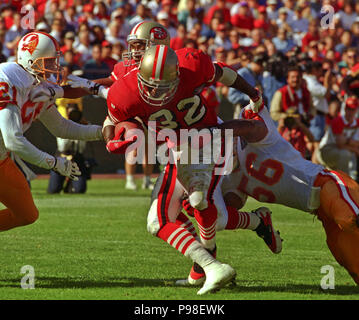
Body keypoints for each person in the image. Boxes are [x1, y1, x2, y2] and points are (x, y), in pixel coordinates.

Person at [96, 45, 265, 295]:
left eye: (162, 86)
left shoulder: (191, 66)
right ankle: (208, 267)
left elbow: (224, 74)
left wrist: (253, 93)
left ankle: (210, 266)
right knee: (194, 208)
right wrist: (112, 140)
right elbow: (114, 118)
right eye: (149, 84)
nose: (155, 92)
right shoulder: (124, 90)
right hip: (176, 147)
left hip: (208, 138)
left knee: (189, 208)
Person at [182, 102, 359, 287]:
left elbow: (251, 126)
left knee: (350, 218)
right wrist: (201, 207)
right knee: (353, 264)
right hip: (320, 213)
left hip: (329, 185)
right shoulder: (228, 177)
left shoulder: (252, 135)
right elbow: (222, 215)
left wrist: (213, 132)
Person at [0, 31, 103, 232]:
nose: (53, 68)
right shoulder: (8, 76)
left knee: (26, 214)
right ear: (30, 59)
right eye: (48, 62)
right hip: (5, 153)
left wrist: (103, 133)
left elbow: (61, 127)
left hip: (1, 159)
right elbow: (13, 140)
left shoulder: (37, 86)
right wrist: (54, 163)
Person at [67, 21, 171, 191]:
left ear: (156, 46)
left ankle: (149, 178)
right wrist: (82, 85)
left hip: (177, 133)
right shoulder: (127, 69)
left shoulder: (174, 69)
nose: (135, 51)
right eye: (133, 46)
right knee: (134, 140)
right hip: (150, 122)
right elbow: (111, 109)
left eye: (140, 46)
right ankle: (132, 179)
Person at [47, 102, 96, 194]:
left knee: (79, 190)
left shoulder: (85, 125)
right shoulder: (61, 125)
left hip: (77, 159)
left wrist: (82, 127)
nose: (74, 116)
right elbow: (63, 146)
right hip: (62, 157)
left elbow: (82, 147)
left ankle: (70, 186)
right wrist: (69, 129)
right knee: (54, 190)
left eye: (76, 114)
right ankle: (61, 182)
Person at [270, 65, 316, 157]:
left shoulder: (306, 92)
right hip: (286, 130)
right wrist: (289, 117)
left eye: (298, 77)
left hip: (303, 128)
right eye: (293, 77)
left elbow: (312, 108)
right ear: (287, 79)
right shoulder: (281, 93)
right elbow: (273, 113)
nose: (295, 79)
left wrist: (307, 116)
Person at [317, 96, 359, 181]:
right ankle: (345, 182)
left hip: (341, 150)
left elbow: (356, 142)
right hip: (326, 150)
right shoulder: (338, 120)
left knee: (348, 153)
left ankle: (353, 179)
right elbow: (340, 144)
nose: (350, 112)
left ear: (356, 110)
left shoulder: (357, 122)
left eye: (353, 109)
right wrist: (354, 147)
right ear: (345, 108)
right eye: (348, 109)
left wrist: (347, 142)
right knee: (345, 153)